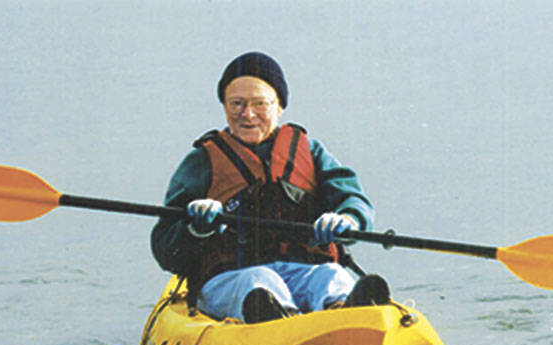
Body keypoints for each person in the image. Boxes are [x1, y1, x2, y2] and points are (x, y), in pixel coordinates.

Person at [151, 51, 390, 323]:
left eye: (260, 104)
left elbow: (353, 198)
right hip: (230, 279)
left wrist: (348, 219)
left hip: (302, 271)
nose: (247, 114)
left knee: (331, 275)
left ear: (279, 106)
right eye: (236, 104)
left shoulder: (310, 151)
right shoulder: (202, 161)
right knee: (259, 279)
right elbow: (166, 250)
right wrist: (196, 228)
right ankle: (277, 320)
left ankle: (344, 312)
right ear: (224, 106)